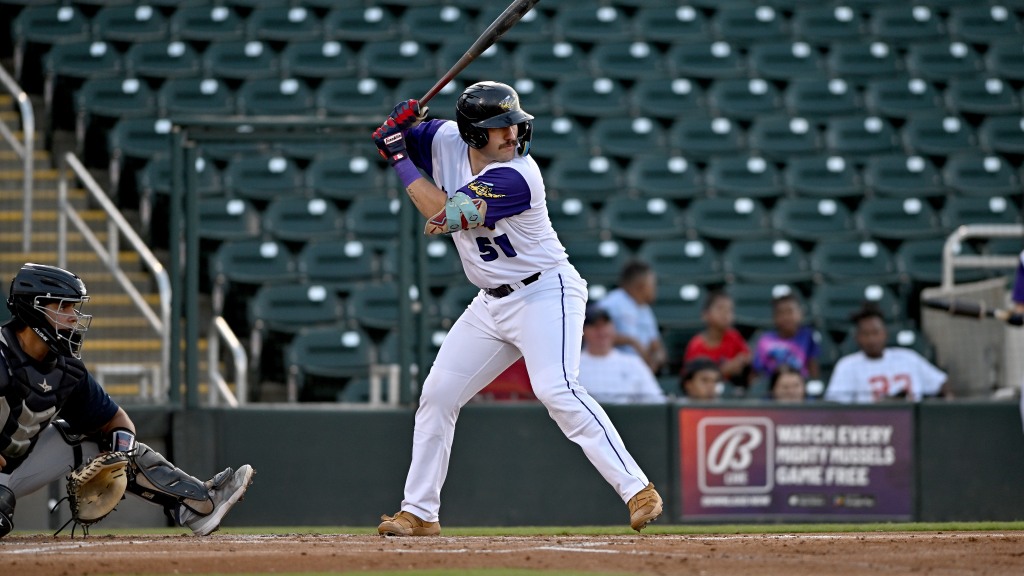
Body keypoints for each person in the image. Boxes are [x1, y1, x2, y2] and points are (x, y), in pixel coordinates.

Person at [370, 83, 663, 536]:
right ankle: (420, 511)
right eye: (497, 128)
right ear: (471, 134)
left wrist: (397, 156)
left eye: (512, 123)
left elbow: (440, 217)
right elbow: (399, 134)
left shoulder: (518, 174)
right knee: (438, 395)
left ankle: (638, 489)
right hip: (491, 301)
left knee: (556, 388)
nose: (510, 133)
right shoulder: (445, 138)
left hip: (545, 293)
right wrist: (399, 125)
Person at [0, 263, 254, 538]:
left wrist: (118, 456)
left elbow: (115, 420)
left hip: (14, 469)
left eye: (74, 307)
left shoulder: (67, 370)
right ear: (32, 309)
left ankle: (197, 504)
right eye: (63, 307)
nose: (73, 317)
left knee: (102, 441)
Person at [825, 304, 950, 403]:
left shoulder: (908, 358)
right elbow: (836, 408)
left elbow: (941, 383)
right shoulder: (847, 366)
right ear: (857, 338)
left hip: (914, 423)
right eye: (866, 334)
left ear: (885, 334)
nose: (872, 339)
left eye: (875, 332)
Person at [578, 305, 666, 405]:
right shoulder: (572, 366)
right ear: (583, 330)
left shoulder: (633, 363)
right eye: (595, 326)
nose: (601, 331)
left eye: (605, 324)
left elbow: (657, 401)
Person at [598, 260, 666, 374]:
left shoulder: (645, 309)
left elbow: (656, 343)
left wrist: (657, 358)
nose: (655, 289)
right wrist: (632, 342)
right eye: (652, 284)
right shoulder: (611, 304)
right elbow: (596, 335)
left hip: (641, 371)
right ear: (640, 286)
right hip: (613, 369)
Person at [683, 290, 751, 389]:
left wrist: (740, 360)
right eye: (720, 308)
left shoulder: (734, 336)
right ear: (705, 315)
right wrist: (723, 371)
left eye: (729, 310)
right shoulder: (696, 345)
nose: (725, 314)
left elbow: (746, 357)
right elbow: (690, 378)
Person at [752, 292, 820, 384]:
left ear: (800, 314)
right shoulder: (765, 340)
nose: (786, 317)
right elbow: (757, 372)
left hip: (800, 390)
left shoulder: (807, 337)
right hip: (774, 391)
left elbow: (813, 367)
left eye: (790, 311)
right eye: (781, 313)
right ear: (774, 317)